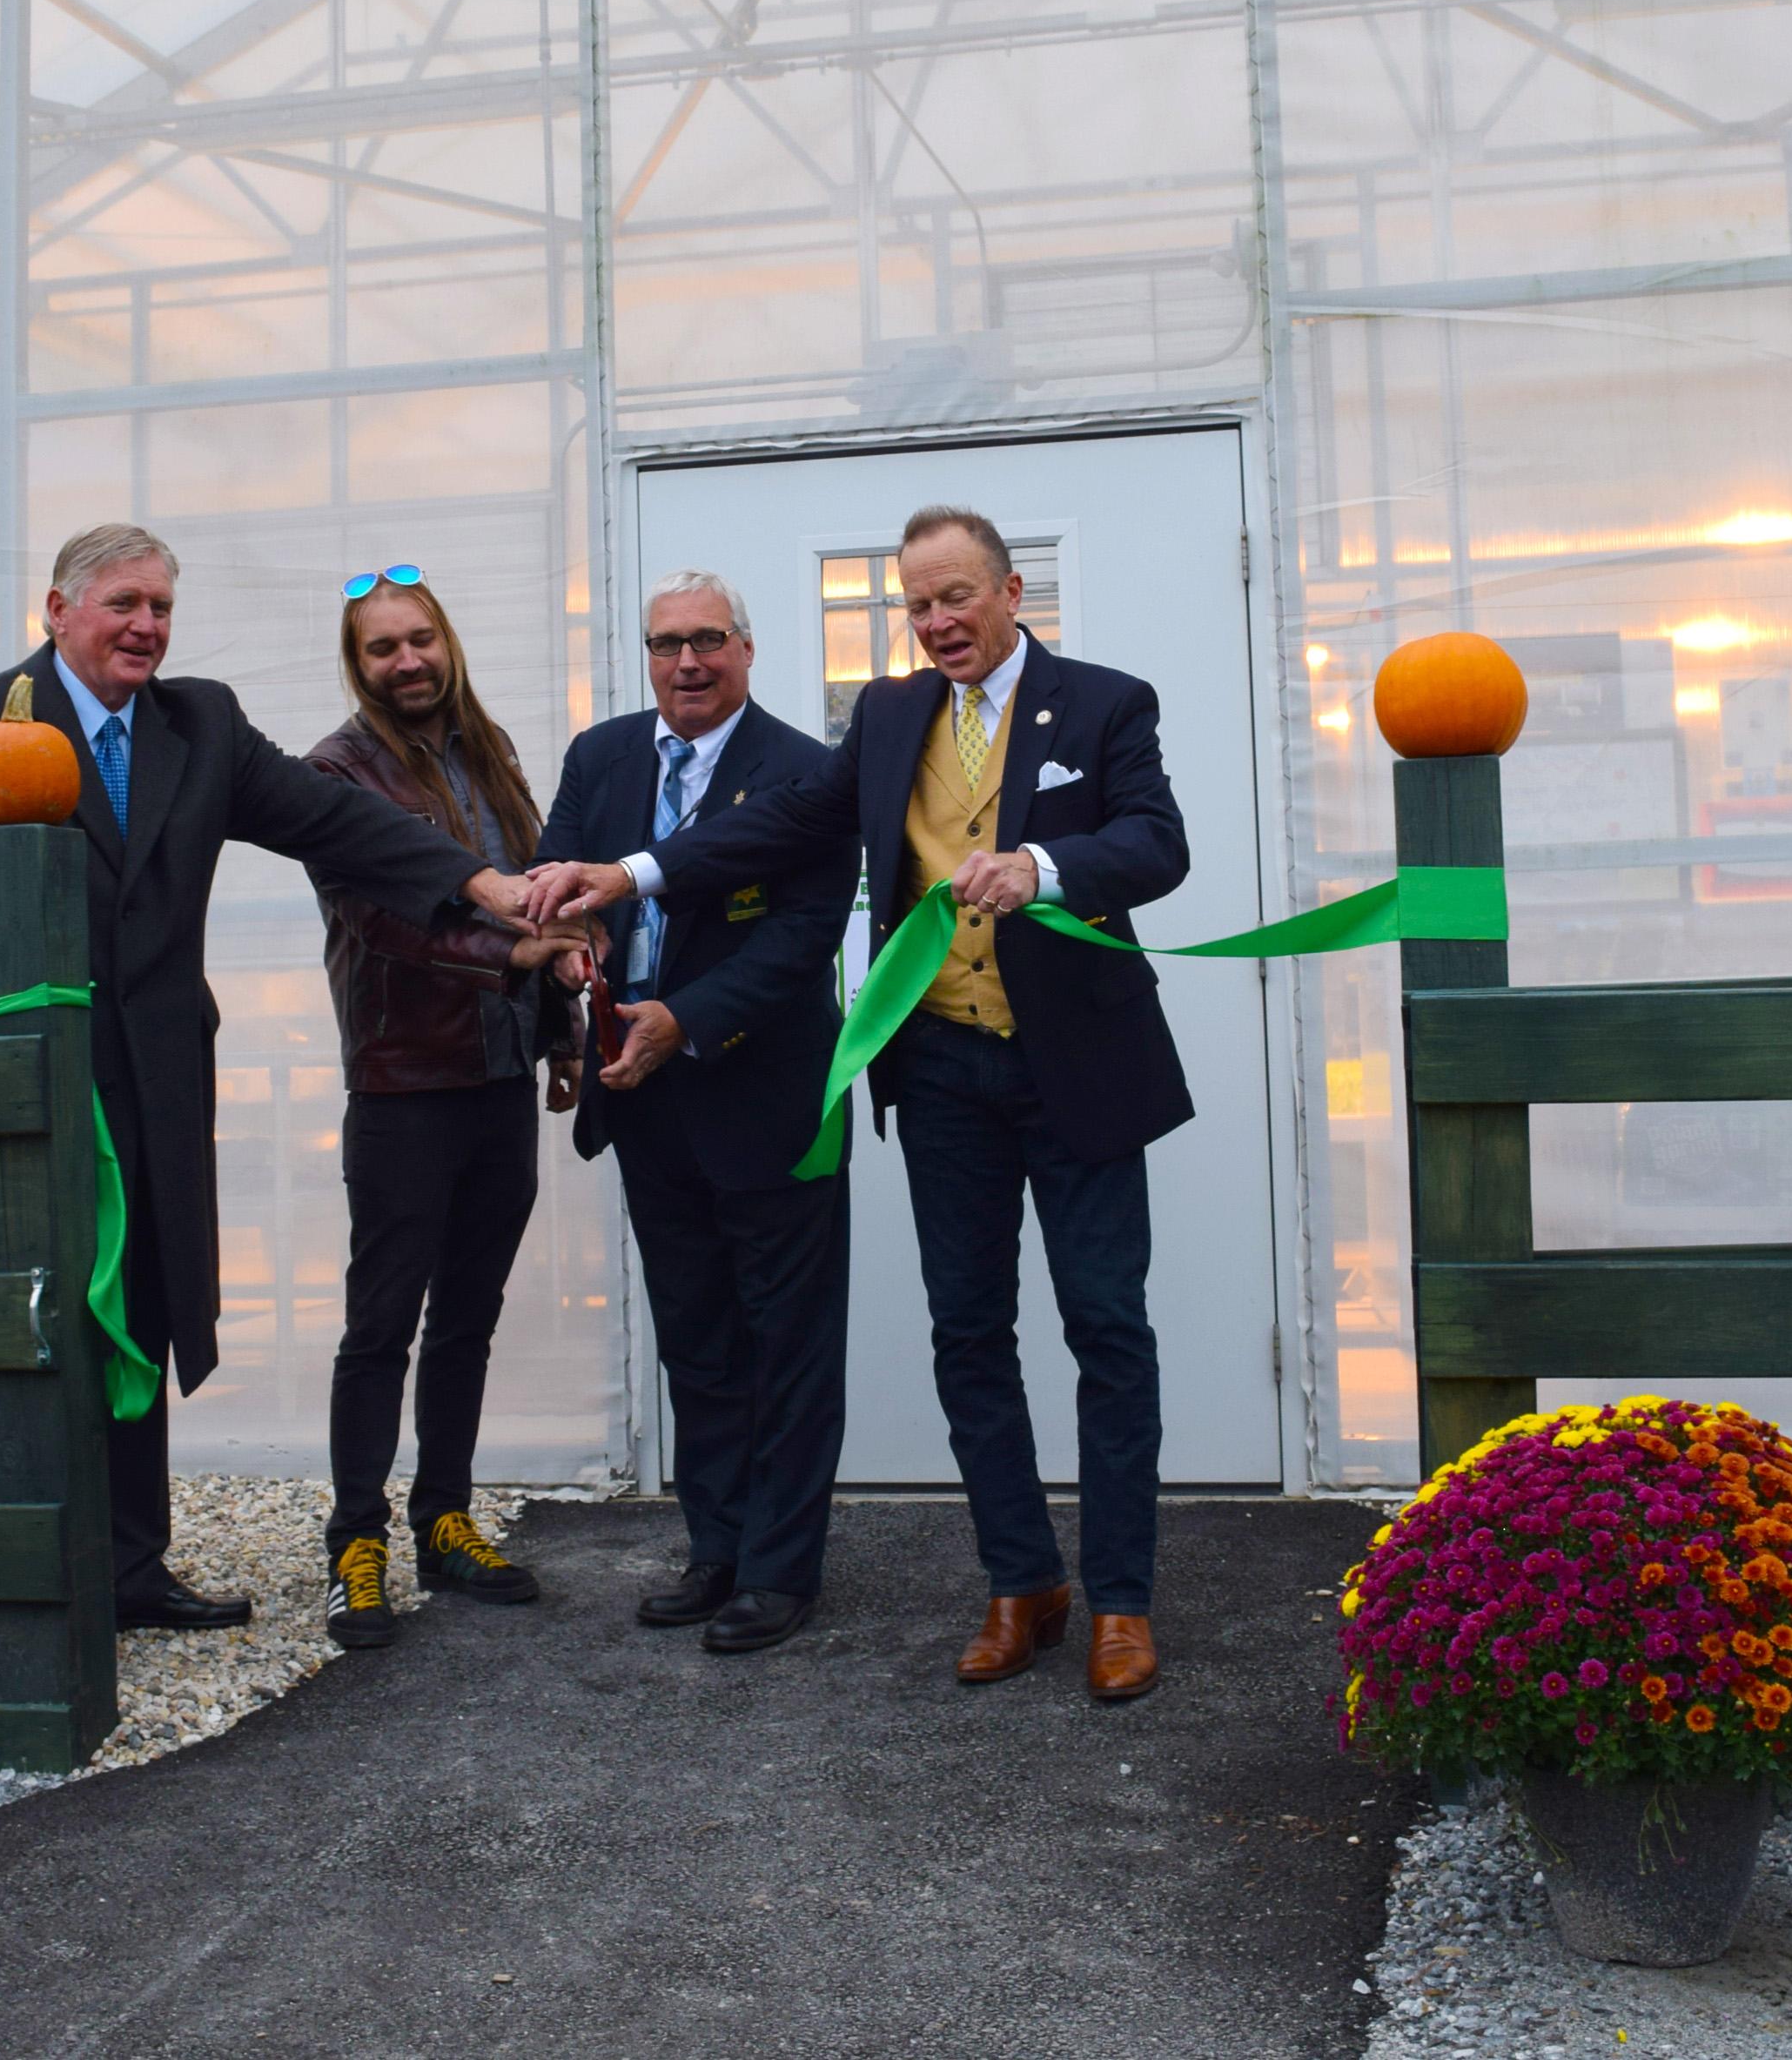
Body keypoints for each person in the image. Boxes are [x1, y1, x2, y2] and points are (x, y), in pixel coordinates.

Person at [527, 506, 1191, 1702]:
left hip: (1079, 1071)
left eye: (957, 598)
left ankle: (1122, 1603)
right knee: (968, 1334)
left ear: (1008, 592)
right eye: (918, 605)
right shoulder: (887, 716)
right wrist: (629, 873)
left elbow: (1157, 844)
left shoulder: (1104, 703)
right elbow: (786, 822)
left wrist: (1043, 867)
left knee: (1106, 1329)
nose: (938, 622)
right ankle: (1020, 1583)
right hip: (937, 1070)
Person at [0, 525, 541, 1633]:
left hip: (156, 1081)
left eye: (161, 608)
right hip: (23, 1086)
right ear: (56, 610)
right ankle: (24, 1573)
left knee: (140, 1303)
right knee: (24, 1319)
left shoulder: (200, 725)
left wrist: (474, 883)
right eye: (123, 604)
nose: (145, 627)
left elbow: (336, 820)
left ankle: (131, 1570)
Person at [534, 572, 852, 1656]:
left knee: (788, 1340)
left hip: (766, 1096)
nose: (685, 663)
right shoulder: (602, 756)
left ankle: (780, 1569)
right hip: (645, 1096)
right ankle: (714, 1546)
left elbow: (800, 937)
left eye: (707, 640)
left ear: (747, 649)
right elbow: (555, 875)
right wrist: (578, 960)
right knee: (697, 1337)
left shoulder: (807, 772)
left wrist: (688, 1017)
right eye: (665, 643)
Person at [301, 569, 591, 1651]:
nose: (407, 662)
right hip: (401, 1081)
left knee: (467, 1316)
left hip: (496, 1075)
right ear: (359, 664)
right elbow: (384, 919)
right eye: (383, 649)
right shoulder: (339, 771)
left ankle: (443, 1517)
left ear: (447, 642)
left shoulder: (491, 751)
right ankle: (353, 1539)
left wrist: (556, 1035)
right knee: (380, 1326)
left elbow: (538, 889)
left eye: (420, 640)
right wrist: (513, 949)